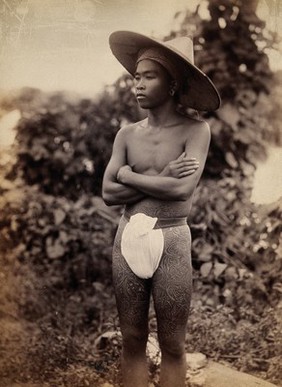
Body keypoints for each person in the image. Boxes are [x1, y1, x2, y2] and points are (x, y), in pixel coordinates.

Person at [102, 31, 220, 387]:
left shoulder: (196, 130)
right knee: (132, 339)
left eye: (148, 76)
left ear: (172, 84)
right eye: (136, 77)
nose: (137, 85)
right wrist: (158, 178)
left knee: (172, 344)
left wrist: (128, 175)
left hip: (171, 240)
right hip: (127, 237)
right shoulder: (126, 135)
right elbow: (108, 193)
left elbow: (182, 189)